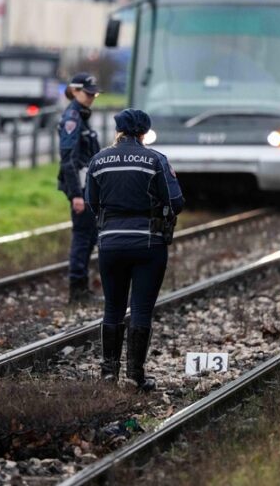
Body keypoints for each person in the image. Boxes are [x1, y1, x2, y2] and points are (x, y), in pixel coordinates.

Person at [84, 109, 184, 391]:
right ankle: (134, 375)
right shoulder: (155, 160)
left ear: (118, 130)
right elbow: (176, 201)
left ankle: (107, 373)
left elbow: (92, 201)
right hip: (148, 244)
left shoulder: (98, 160)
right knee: (141, 308)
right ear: (144, 132)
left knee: (113, 307)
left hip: (110, 244)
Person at [57, 72, 102, 303]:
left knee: (90, 234)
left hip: (86, 186)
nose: (92, 97)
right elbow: (69, 159)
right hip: (80, 187)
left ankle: (81, 287)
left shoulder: (82, 115)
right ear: (74, 91)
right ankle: (77, 290)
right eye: (88, 93)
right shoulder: (73, 118)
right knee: (83, 236)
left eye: (94, 94)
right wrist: (76, 194)